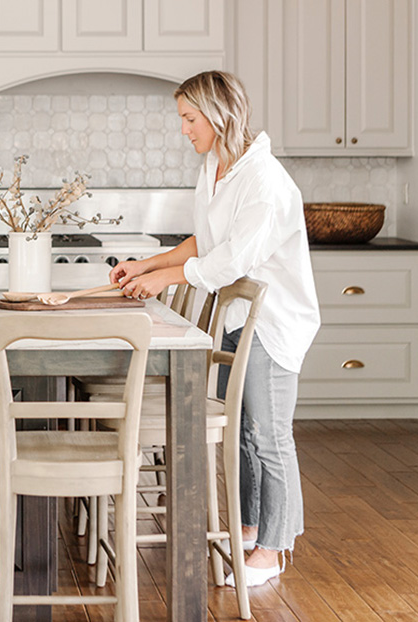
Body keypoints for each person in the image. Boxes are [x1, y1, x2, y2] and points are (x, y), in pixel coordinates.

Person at [108, 70, 320, 587]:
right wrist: (146, 265)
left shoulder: (264, 182)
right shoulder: (216, 167)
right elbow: (204, 242)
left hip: (271, 324)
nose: (183, 128)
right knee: (240, 435)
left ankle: (273, 549)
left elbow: (229, 262)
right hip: (235, 319)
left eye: (189, 118)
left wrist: (162, 279)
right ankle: (248, 529)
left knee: (270, 437)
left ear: (219, 115)